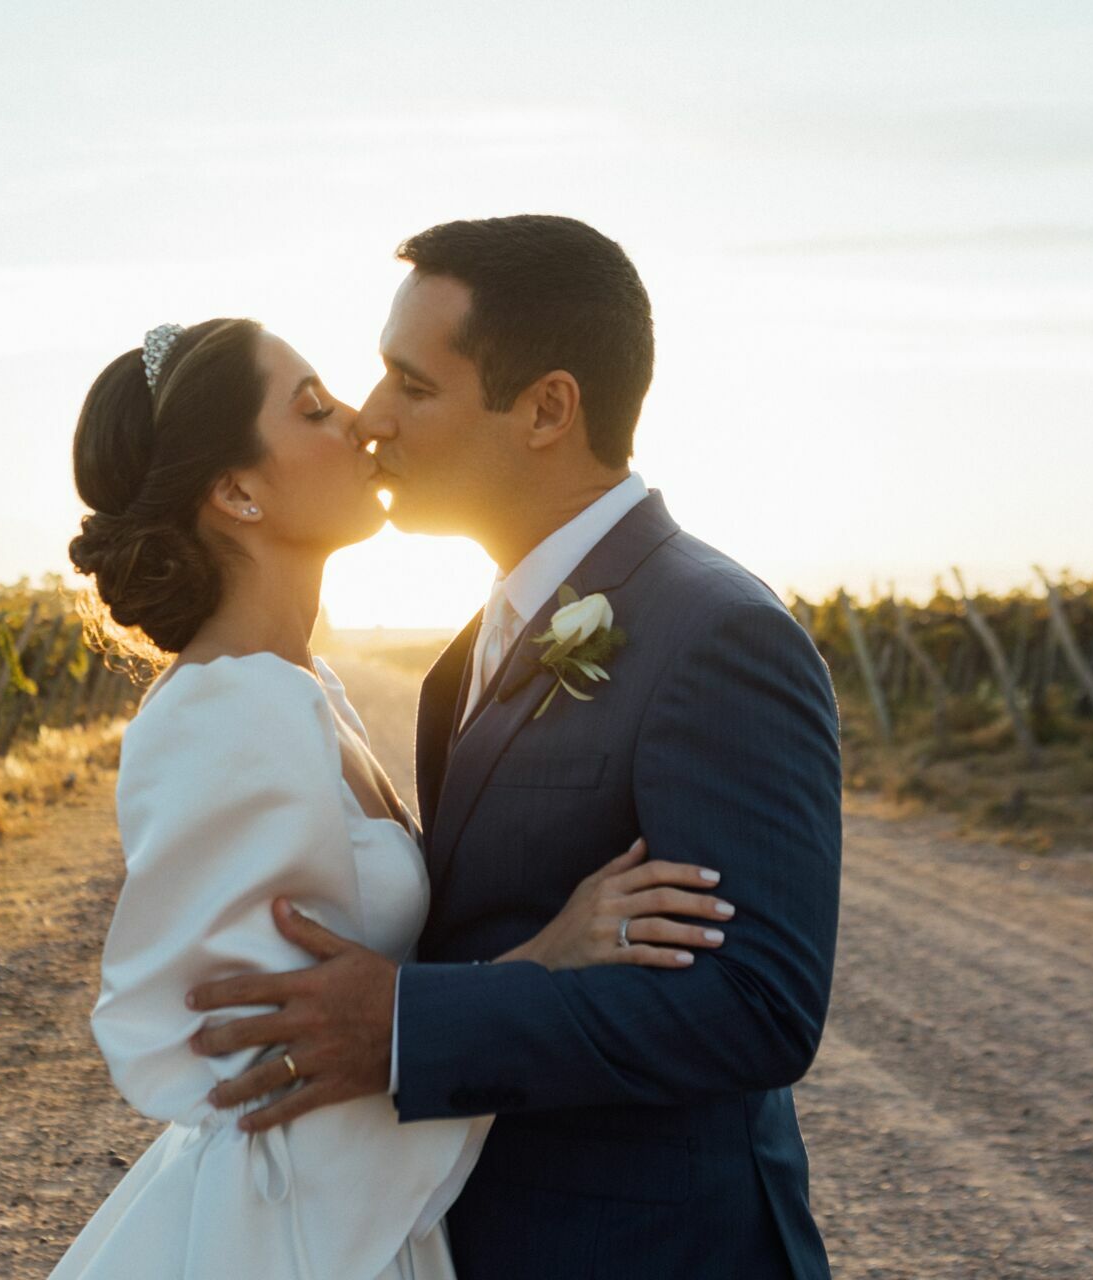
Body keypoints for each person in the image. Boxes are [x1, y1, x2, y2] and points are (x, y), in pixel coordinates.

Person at [185, 216, 844, 1279]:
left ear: (546, 407)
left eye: (412, 382)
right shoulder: (469, 652)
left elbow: (756, 1006)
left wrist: (408, 1025)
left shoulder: (718, 632)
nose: (372, 418)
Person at [48, 313, 735, 1279]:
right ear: (238, 490)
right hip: (289, 1234)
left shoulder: (300, 689)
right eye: (315, 408)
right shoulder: (232, 712)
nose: (363, 424)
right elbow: (266, 1078)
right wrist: (549, 958)